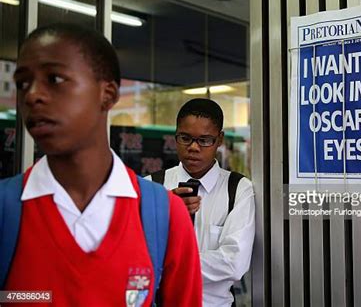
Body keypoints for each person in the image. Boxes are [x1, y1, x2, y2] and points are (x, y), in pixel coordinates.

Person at [1, 23, 201, 306]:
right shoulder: (5, 212)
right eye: (22, 83)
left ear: (107, 94)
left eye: (55, 79)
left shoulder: (164, 217)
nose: (32, 95)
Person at [148, 98, 255, 307]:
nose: (194, 148)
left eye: (205, 140)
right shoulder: (152, 186)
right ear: (175, 136)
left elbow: (233, 262)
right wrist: (164, 211)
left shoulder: (238, 189)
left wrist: (168, 263)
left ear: (220, 139)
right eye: (185, 138)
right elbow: (137, 253)